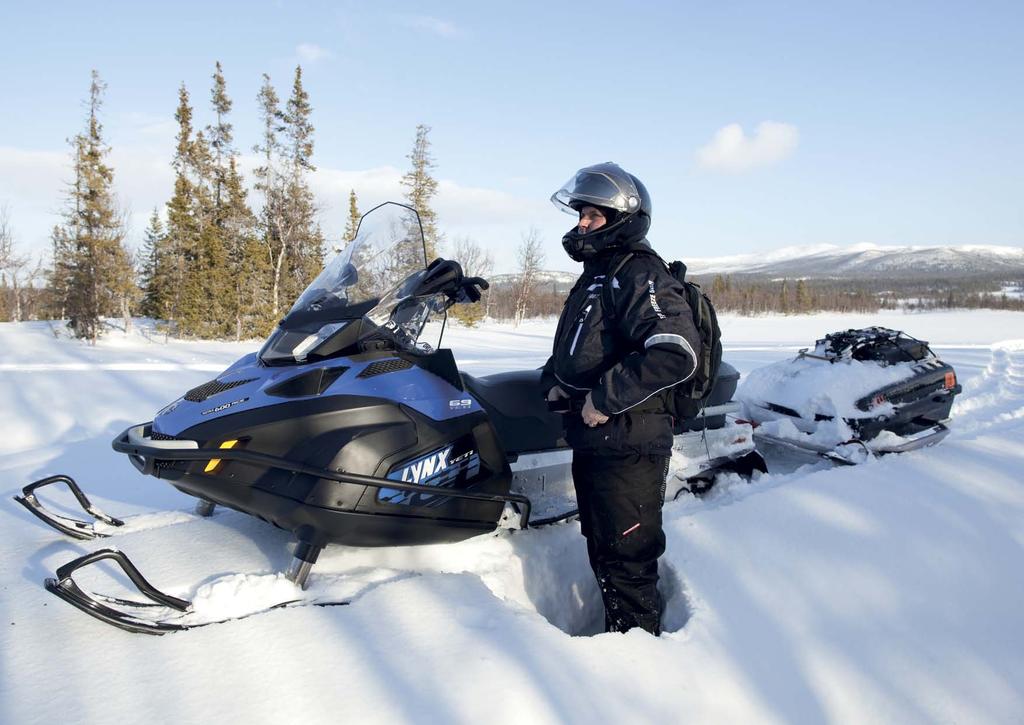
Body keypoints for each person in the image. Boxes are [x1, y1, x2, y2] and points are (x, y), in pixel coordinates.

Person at [540, 162, 701, 635]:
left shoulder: (639, 274)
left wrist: (605, 398)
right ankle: (620, 643)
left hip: (631, 441)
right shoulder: (599, 275)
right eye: (582, 215)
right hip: (600, 440)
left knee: (628, 560)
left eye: (594, 216)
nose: (582, 224)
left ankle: (639, 665)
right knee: (605, 549)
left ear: (622, 219)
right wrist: (558, 384)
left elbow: (675, 351)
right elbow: (583, 347)